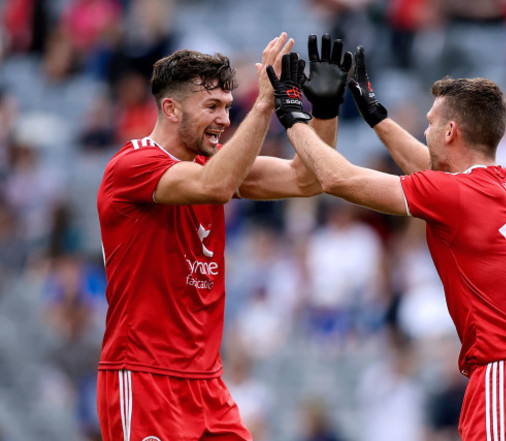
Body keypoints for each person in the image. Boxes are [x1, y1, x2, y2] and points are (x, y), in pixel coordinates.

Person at [267, 49, 506, 440]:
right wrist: (376, 116)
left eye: (430, 123)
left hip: (505, 376)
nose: (424, 131)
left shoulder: (456, 194)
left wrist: (293, 116)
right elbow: (433, 173)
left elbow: (336, 178)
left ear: (450, 132)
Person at [96, 33, 352, 441]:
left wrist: (323, 105)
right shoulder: (133, 164)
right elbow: (215, 185)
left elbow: (307, 178)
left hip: (207, 384)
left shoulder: (214, 164)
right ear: (170, 109)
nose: (224, 120)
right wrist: (266, 101)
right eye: (212, 107)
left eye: (230, 107)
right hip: (146, 379)